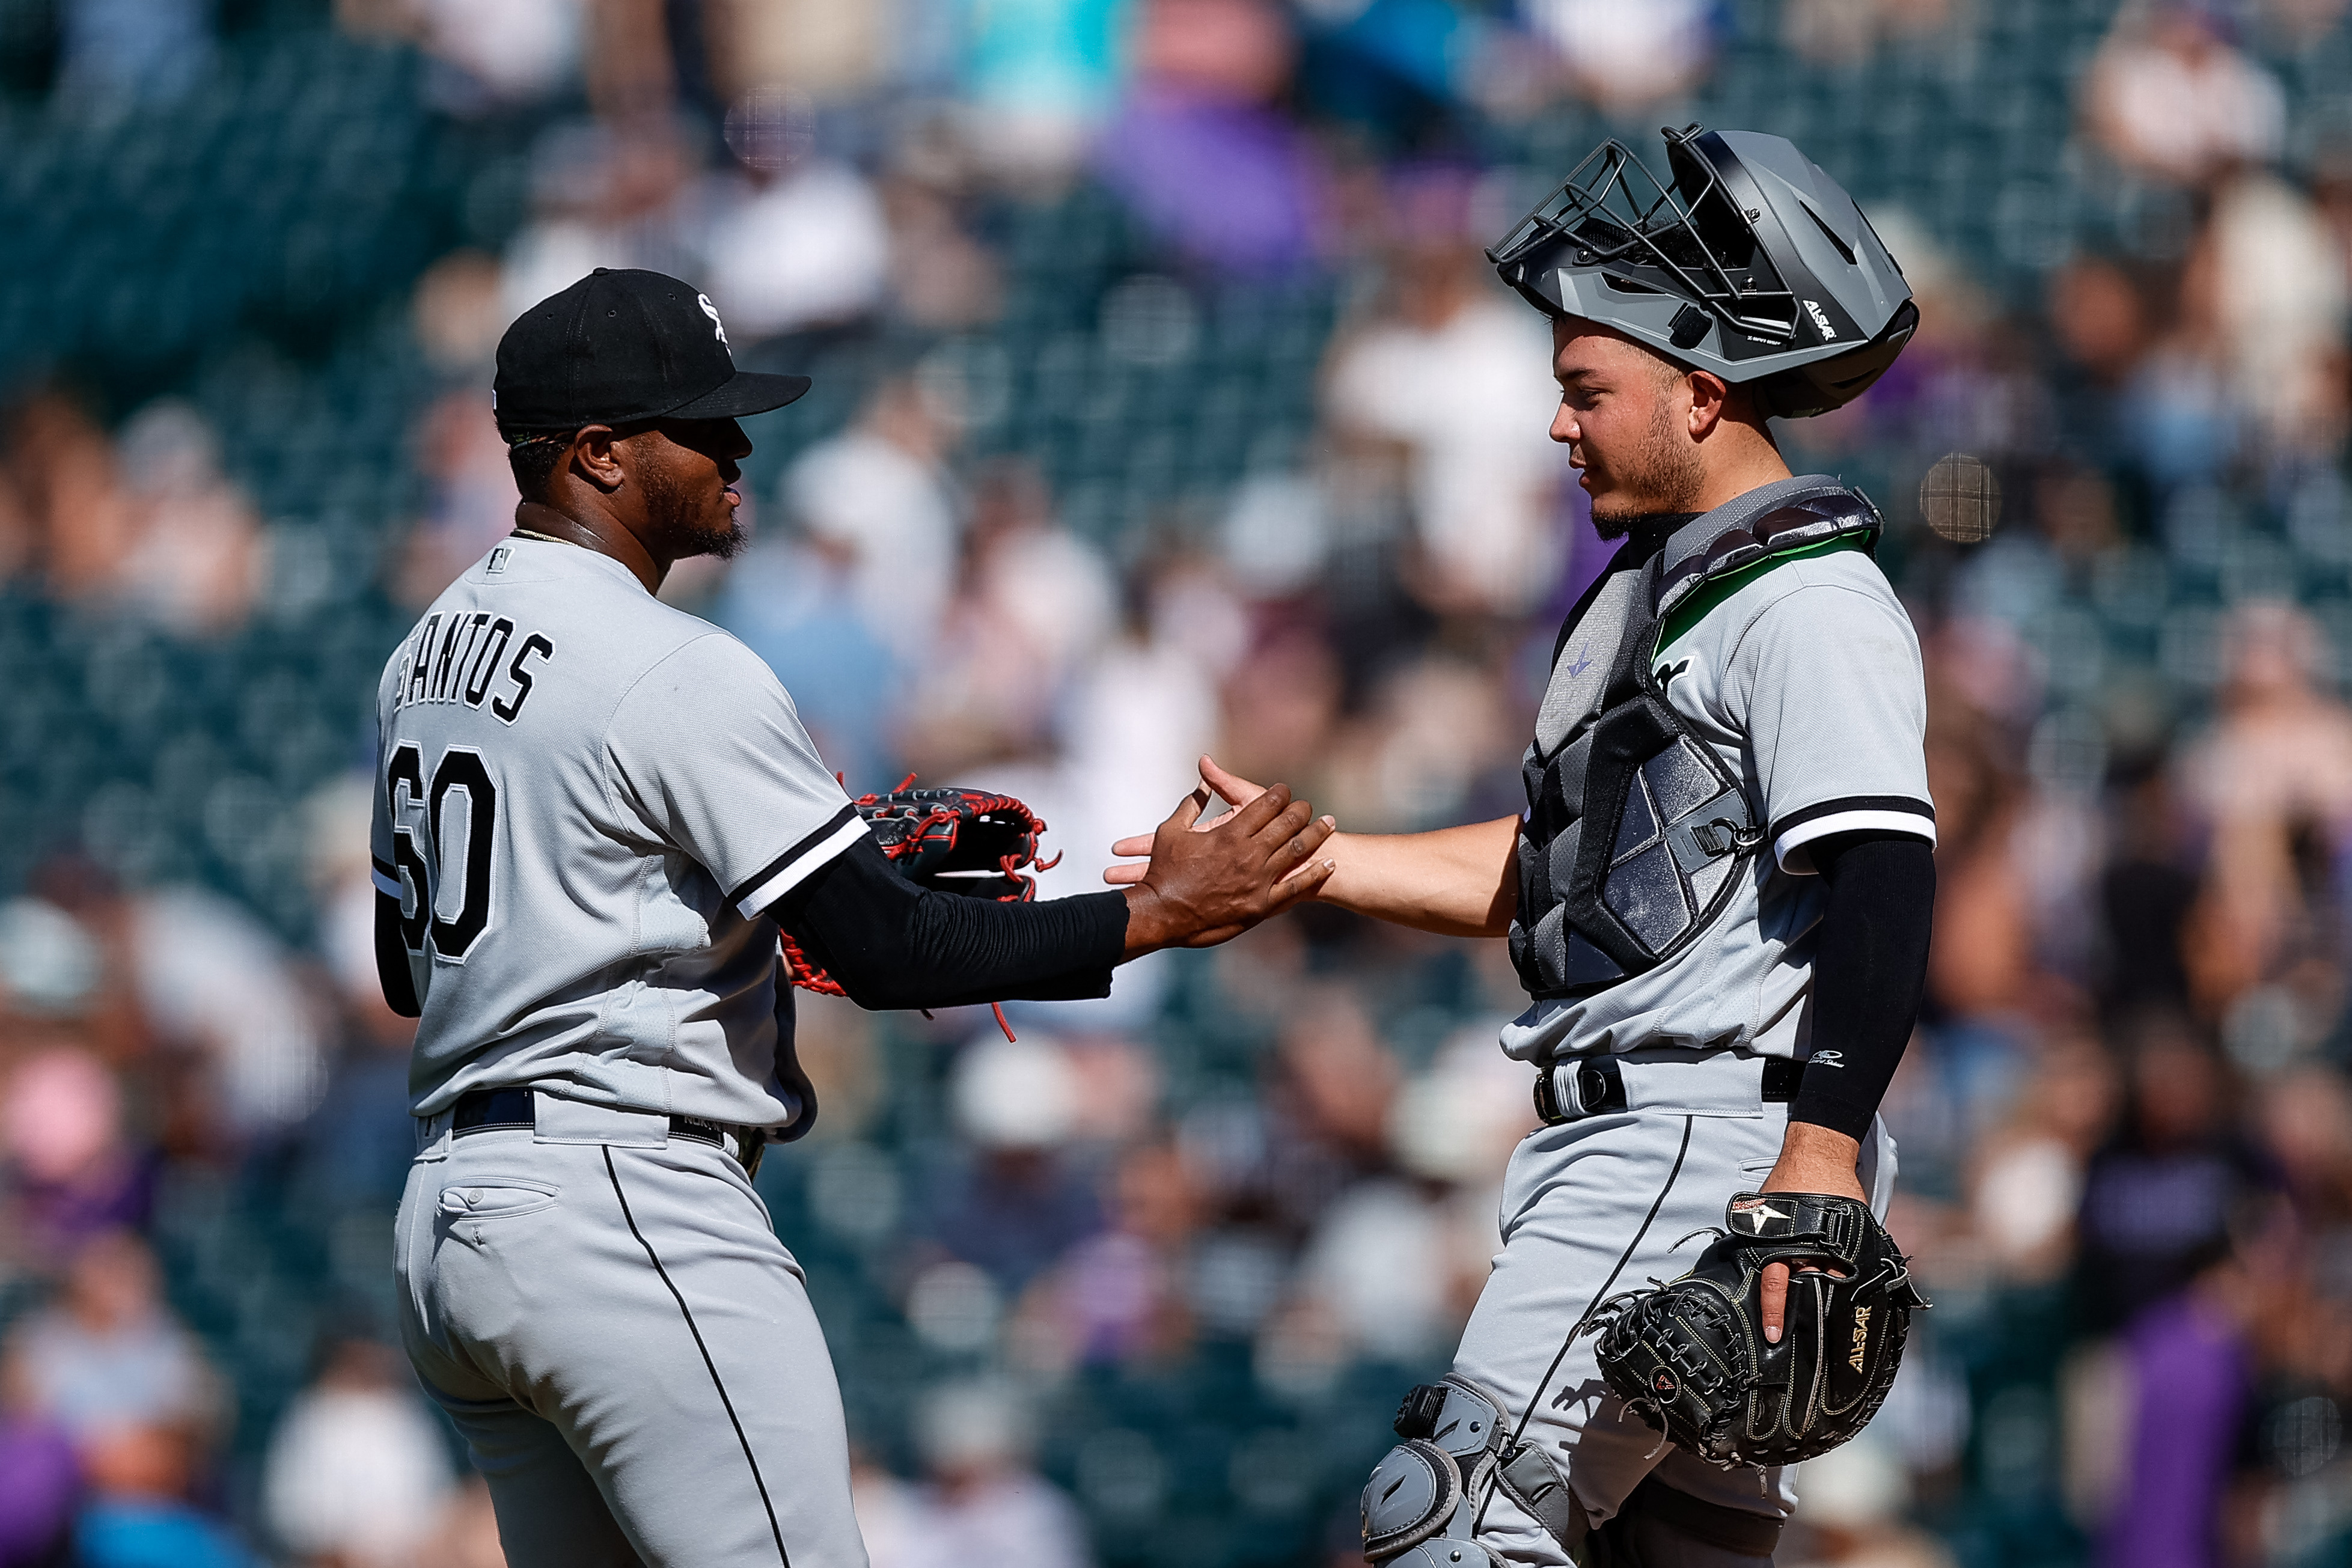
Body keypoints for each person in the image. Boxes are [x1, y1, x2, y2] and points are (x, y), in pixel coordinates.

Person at [372, 267, 1336, 1568]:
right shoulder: (672, 666)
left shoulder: (422, 653)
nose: (739, 448)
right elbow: (892, 953)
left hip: (453, 1221)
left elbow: (408, 964)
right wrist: (1153, 915)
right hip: (621, 1206)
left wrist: (705, 915)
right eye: (700, 425)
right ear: (596, 453)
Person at [1111, 126, 1932, 1565]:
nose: (1558, 425)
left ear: (1698, 390)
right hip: (1648, 1133)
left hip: (1698, 1144)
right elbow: (1567, 867)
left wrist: (1823, 1148)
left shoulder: (1808, 600)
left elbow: (1883, 875)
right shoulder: (1662, 591)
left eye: (1584, 391)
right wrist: (1309, 862)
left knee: (1445, 1528)